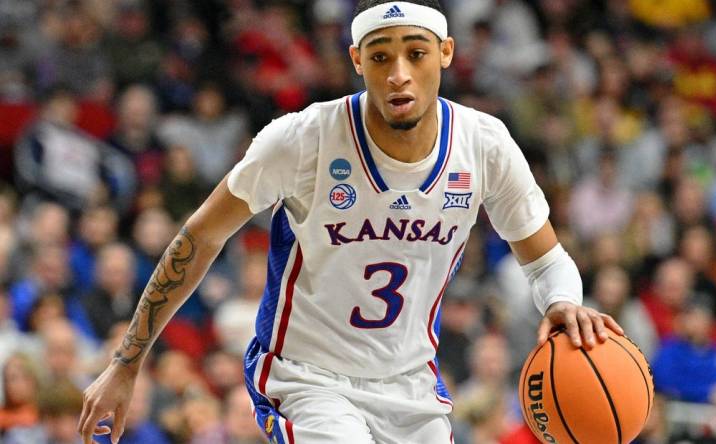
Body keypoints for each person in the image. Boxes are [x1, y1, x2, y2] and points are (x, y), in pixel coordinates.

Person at [79, 2, 622, 443]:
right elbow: (201, 235)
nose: (399, 74)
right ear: (357, 60)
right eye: (381, 57)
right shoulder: (302, 139)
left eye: (416, 53)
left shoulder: (485, 145)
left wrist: (560, 303)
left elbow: (546, 259)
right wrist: (126, 364)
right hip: (307, 378)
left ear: (447, 54)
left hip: (411, 384)